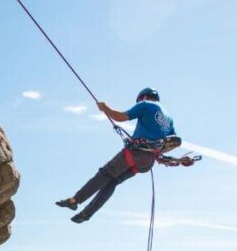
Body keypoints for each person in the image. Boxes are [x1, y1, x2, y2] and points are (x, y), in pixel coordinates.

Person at [56, 88, 177, 223]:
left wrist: (105, 108)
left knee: (105, 174)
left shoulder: (145, 104)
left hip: (134, 153)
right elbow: (173, 142)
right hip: (147, 162)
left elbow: (120, 117)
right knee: (112, 181)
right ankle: (87, 213)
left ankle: (75, 200)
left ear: (142, 97)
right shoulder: (169, 117)